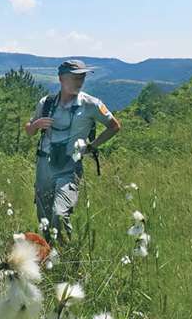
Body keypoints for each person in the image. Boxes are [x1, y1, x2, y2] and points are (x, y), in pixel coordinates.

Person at [25, 59, 121, 243]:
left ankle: (67, 258)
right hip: (44, 165)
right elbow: (29, 130)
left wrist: (92, 146)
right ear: (61, 79)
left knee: (59, 214)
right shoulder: (46, 103)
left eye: (82, 77)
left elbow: (114, 126)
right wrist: (36, 124)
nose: (79, 81)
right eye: (75, 77)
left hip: (70, 166)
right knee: (44, 219)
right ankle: (51, 260)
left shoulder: (90, 104)